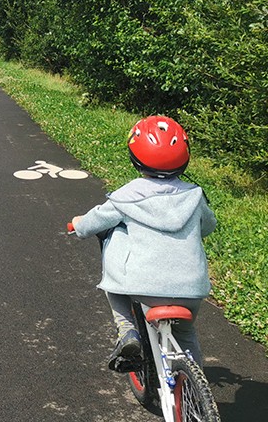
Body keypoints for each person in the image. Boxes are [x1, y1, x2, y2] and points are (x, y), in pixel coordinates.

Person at [71, 116, 216, 372]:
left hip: (141, 286)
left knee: (113, 243)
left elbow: (91, 224)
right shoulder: (195, 196)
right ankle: (196, 392)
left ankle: (127, 330)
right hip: (192, 288)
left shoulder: (126, 197)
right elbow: (208, 226)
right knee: (185, 334)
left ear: (135, 157)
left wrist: (77, 224)